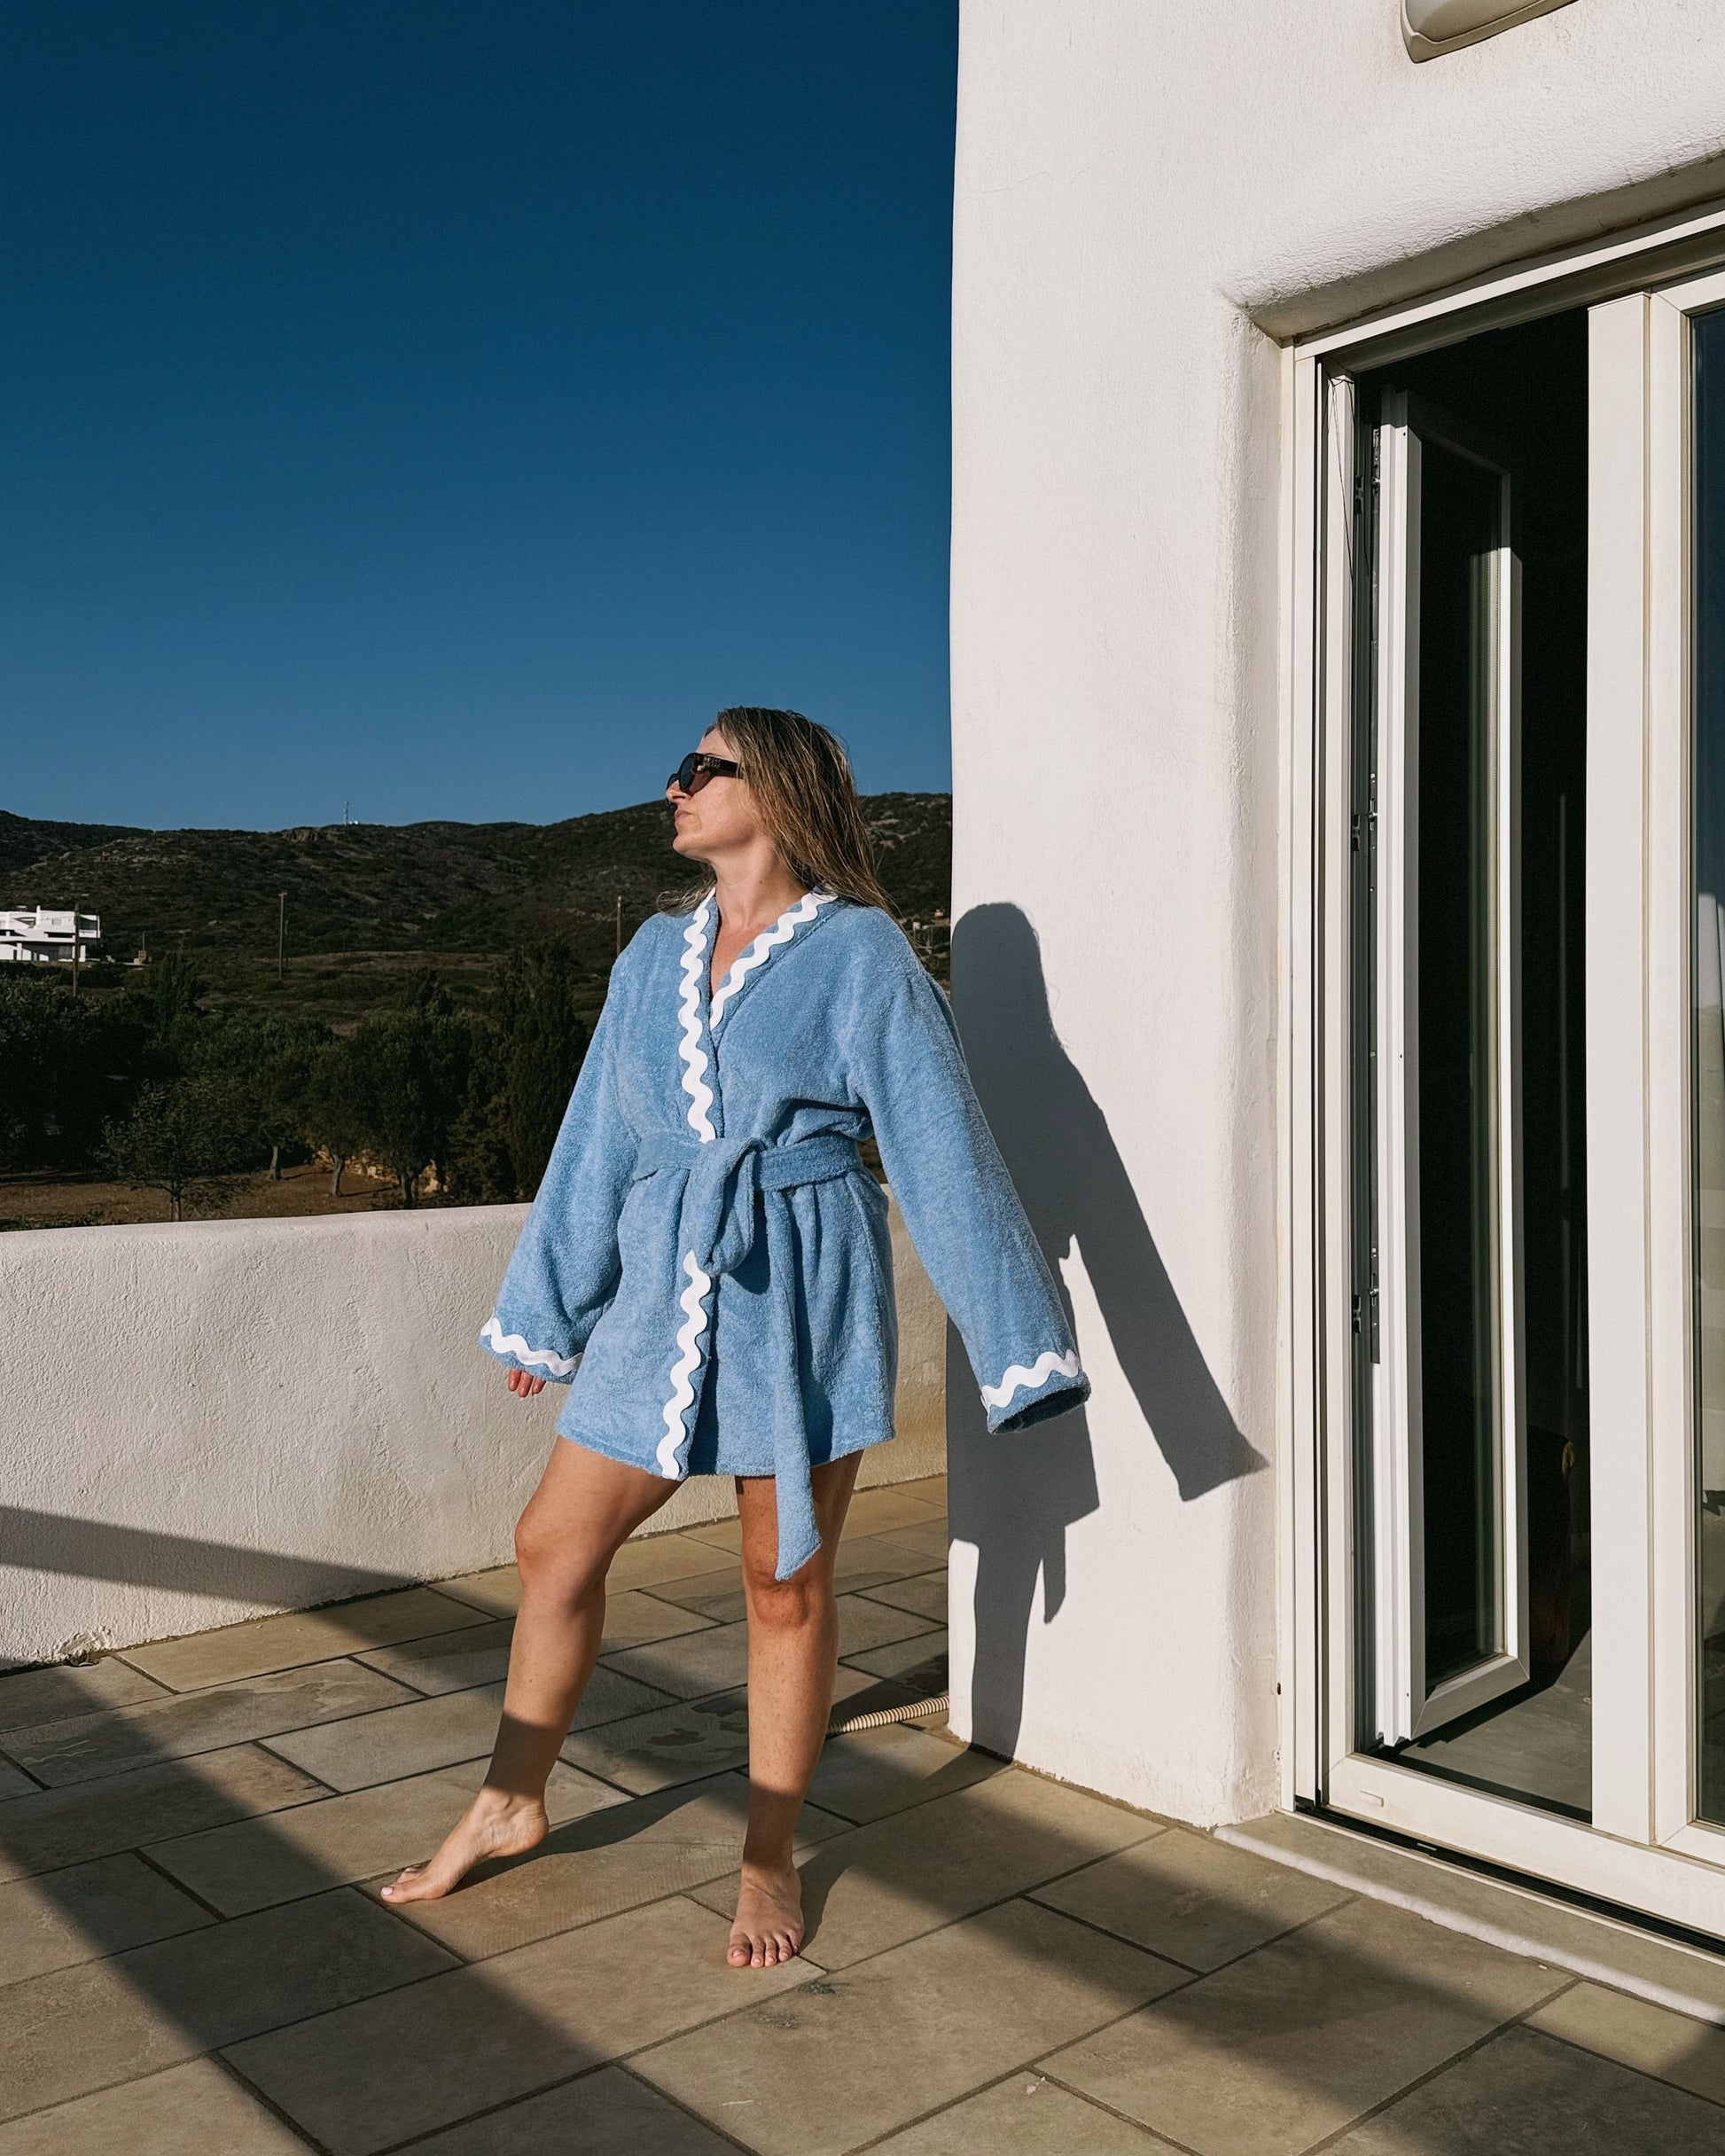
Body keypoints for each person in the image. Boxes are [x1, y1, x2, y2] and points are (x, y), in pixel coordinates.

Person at [385, 707, 1087, 1966]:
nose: (674, 786)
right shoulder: (651, 955)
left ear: (778, 787)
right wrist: (549, 1309)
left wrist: (1015, 1346)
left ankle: (768, 1857)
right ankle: (509, 1799)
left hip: (800, 1281)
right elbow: (596, 1137)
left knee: (783, 1578)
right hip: (662, 1281)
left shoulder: (862, 953)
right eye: (680, 769)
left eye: (701, 768)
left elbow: (940, 1150)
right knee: (551, 1542)